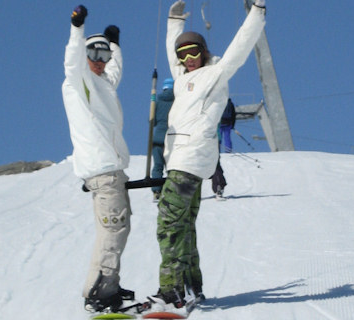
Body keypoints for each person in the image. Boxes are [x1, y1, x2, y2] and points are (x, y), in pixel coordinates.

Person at [146, 0, 267, 312]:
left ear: (203, 51)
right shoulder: (183, 77)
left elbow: (241, 45)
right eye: (183, 54)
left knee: (169, 224)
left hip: (190, 158)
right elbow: (172, 48)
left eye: (194, 52)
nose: (188, 58)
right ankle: (191, 286)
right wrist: (174, 20)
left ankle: (170, 290)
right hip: (183, 161)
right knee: (184, 226)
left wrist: (257, 10)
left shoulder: (216, 73)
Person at [61, 5, 134, 313]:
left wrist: (113, 44)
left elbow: (115, 69)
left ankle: (109, 285)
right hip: (103, 171)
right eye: (94, 55)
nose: (100, 62)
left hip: (112, 170)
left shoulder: (103, 83)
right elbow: (72, 61)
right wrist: (77, 28)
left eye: (104, 56)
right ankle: (98, 292)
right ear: (85, 56)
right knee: (113, 230)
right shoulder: (78, 82)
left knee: (120, 227)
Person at [151, 78, 175, 202]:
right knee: (172, 166)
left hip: (157, 138)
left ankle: (156, 190)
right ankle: (173, 191)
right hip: (172, 138)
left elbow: (152, 121)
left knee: (158, 166)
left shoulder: (157, 100)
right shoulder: (178, 101)